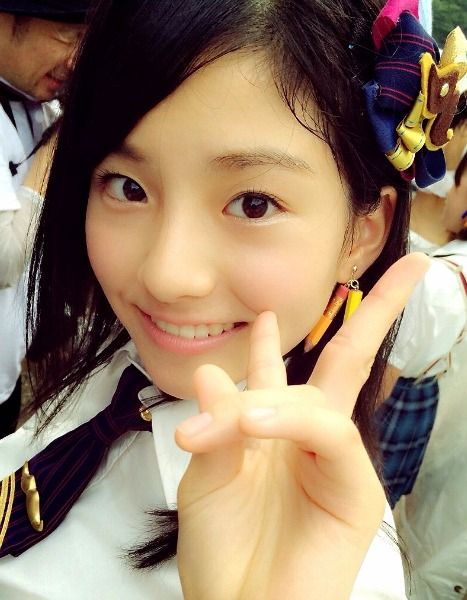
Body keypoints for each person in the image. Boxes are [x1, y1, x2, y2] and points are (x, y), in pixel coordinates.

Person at [0, 0, 454, 597]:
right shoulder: (113, 374)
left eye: (253, 204)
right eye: (128, 187)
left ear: (361, 235)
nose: (166, 275)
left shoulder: (333, 574)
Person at [0, 0, 89, 438]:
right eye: (67, 36)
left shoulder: (34, 102)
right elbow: (4, 257)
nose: (75, 61)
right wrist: (60, 143)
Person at [381, 153, 467, 600]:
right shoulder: (459, 264)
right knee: (385, 496)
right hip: (424, 397)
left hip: (394, 399)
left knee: (364, 488)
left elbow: (382, 381)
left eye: (459, 188)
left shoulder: (433, 283)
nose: (449, 194)